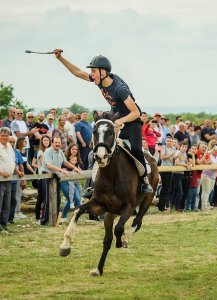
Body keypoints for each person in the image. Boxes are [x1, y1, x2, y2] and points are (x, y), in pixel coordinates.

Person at [53, 49, 153, 193]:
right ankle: (92, 186)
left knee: (136, 150)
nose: (92, 75)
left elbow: (136, 112)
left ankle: (144, 181)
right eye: (92, 72)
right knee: (98, 150)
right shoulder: (99, 80)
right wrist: (60, 58)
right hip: (116, 116)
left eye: (94, 71)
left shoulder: (120, 89)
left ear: (103, 72)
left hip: (131, 121)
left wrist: (120, 122)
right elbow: (77, 72)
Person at [41, 136, 80, 225]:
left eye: (59, 143)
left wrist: (74, 167)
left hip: (57, 176)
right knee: (48, 198)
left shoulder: (60, 152)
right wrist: (61, 170)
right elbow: (48, 165)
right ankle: (45, 220)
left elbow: (65, 162)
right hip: (47, 175)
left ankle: (56, 220)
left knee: (57, 198)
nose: (58, 144)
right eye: (56, 143)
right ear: (52, 143)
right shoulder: (48, 151)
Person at [0, 127, 15, 232]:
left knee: (6, 204)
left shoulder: (9, 145)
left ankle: (4, 226)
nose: (5, 137)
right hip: (0, 179)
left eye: (6, 135)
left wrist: (17, 171)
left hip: (9, 179)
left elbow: (12, 160)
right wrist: (1, 172)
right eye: (3, 135)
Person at [35, 135, 51, 225]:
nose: (46, 142)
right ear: (42, 141)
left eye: (47, 140)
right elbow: (44, 163)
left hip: (47, 176)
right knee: (41, 198)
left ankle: (44, 216)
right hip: (42, 176)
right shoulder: (41, 152)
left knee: (44, 197)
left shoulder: (49, 151)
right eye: (44, 140)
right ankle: (39, 218)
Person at [157, 136, 175, 212]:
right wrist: (170, 155)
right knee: (165, 188)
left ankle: (163, 205)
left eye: (170, 141)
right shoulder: (164, 147)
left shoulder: (173, 148)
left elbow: (173, 159)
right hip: (164, 169)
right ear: (165, 142)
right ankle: (160, 205)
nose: (169, 142)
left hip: (170, 169)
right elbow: (162, 157)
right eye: (168, 141)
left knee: (168, 188)